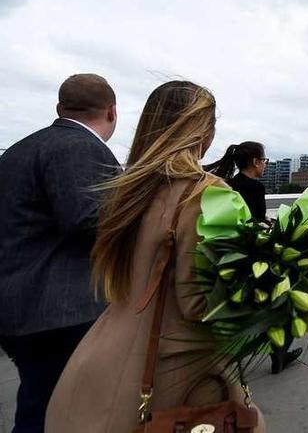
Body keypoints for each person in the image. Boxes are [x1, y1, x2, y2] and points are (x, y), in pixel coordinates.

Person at [45, 81, 265, 432]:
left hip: (96, 366)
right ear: (203, 133)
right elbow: (202, 303)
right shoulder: (209, 194)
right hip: (172, 378)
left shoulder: (125, 188)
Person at [0, 74, 119, 433]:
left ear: (59, 107)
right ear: (112, 111)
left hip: (22, 306)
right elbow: (89, 221)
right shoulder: (78, 146)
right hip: (60, 312)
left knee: (39, 401)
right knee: (59, 410)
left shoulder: (21, 150)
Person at [205, 142, 303, 374]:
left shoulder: (228, 185)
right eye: (265, 160)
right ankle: (278, 353)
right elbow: (256, 222)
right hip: (255, 256)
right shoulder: (256, 188)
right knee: (282, 301)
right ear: (255, 162)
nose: (266, 165)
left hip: (232, 254)